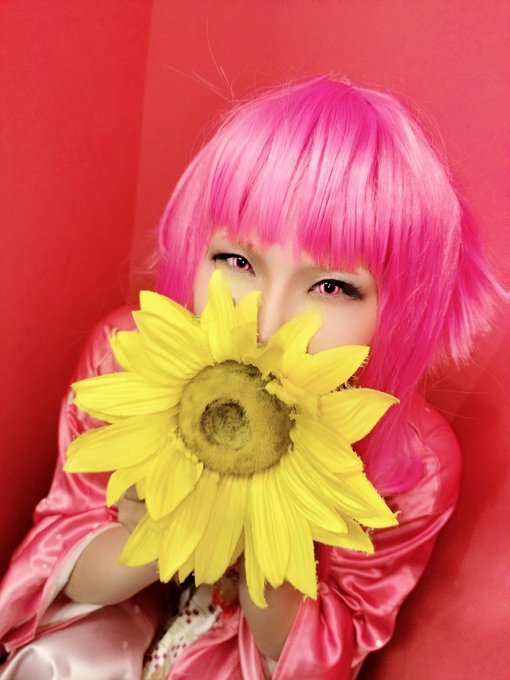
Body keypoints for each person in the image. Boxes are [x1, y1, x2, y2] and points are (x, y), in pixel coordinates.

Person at [0, 76, 503, 679]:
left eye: (332, 286)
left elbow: (329, 651)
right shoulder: (125, 356)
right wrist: (165, 526)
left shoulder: (413, 462)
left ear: (400, 309)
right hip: (107, 628)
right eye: (238, 261)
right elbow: (61, 556)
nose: (268, 322)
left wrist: (267, 529)